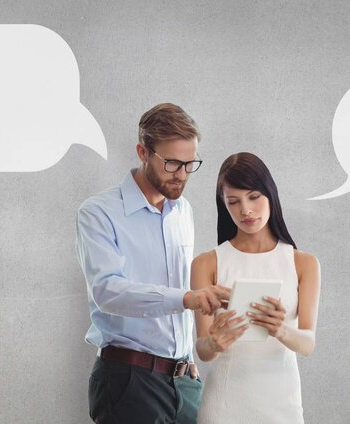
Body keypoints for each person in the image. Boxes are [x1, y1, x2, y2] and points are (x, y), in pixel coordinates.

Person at [75, 103, 231, 424]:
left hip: (184, 381)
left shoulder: (182, 211)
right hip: (130, 382)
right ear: (142, 152)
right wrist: (186, 299)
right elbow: (107, 292)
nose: (182, 175)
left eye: (190, 164)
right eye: (172, 163)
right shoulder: (99, 213)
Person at [192, 152, 321, 423]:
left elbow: (308, 343)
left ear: (270, 194)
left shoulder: (304, 264)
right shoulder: (207, 263)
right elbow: (203, 350)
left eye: (254, 197)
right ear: (223, 205)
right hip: (224, 405)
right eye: (233, 202)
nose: (246, 210)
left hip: (282, 406)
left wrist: (280, 329)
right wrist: (214, 342)